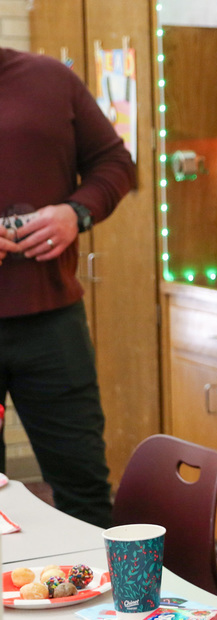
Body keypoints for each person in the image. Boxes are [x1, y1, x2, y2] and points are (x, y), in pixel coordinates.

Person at [0, 47, 135, 528]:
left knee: (85, 489)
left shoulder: (50, 78)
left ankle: (101, 602)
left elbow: (116, 163)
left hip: (52, 324)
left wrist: (75, 212)